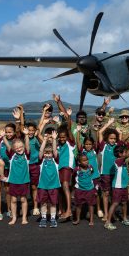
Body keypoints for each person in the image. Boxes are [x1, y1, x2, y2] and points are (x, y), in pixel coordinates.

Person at [53, 94, 76, 222]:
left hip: (67, 166)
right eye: (60, 137)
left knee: (66, 185)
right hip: (60, 167)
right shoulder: (59, 145)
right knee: (61, 188)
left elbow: (67, 123)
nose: (62, 139)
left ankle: (69, 210)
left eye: (64, 137)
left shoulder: (70, 142)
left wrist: (59, 102)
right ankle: (62, 210)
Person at [2, 129, 31, 225]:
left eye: (20, 147)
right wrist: (3, 137)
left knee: (23, 199)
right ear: (14, 149)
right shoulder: (12, 154)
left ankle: (24, 218)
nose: (19, 149)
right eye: (17, 147)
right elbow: (7, 145)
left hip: (24, 181)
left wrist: (26, 135)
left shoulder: (26, 154)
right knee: (13, 200)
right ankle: (14, 218)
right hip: (13, 181)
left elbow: (27, 145)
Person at [104, 145, 129, 230]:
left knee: (124, 203)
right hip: (117, 187)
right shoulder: (118, 161)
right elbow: (127, 155)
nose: (125, 153)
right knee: (115, 203)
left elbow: (127, 155)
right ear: (120, 154)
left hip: (124, 186)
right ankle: (108, 222)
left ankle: (124, 218)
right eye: (124, 152)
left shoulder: (122, 161)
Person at [98, 117, 121, 222]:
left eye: (114, 139)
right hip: (105, 174)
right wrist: (109, 123)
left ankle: (112, 214)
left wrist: (118, 132)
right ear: (107, 138)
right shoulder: (103, 145)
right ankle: (106, 214)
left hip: (115, 174)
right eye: (111, 138)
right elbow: (100, 132)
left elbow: (120, 139)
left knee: (113, 194)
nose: (113, 140)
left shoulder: (117, 146)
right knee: (106, 194)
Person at [36, 133, 60, 228]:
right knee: (43, 202)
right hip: (42, 185)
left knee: (53, 203)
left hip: (53, 185)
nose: (47, 154)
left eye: (48, 153)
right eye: (46, 153)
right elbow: (41, 150)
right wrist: (45, 140)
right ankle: (43, 218)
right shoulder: (41, 160)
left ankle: (53, 218)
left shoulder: (56, 160)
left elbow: (54, 150)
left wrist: (54, 139)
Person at [73, 154, 97, 226]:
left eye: (86, 160)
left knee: (91, 205)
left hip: (90, 189)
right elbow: (73, 176)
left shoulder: (90, 167)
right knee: (78, 205)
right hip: (79, 190)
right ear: (79, 162)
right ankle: (77, 219)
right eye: (84, 160)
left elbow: (92, 173)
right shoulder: (77, 169)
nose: (86, 161)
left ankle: (91, 220)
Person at [26, 122, 42, 216]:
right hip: (25, 165)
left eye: (32, 130)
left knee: (34, 186)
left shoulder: (36, 139)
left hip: (35, 165)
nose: (31, 132)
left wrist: (38, 134)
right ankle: (26, 206)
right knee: (24, 186)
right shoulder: (24, 138)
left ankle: (36, 206)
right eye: (29, 130)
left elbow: (43, 142)